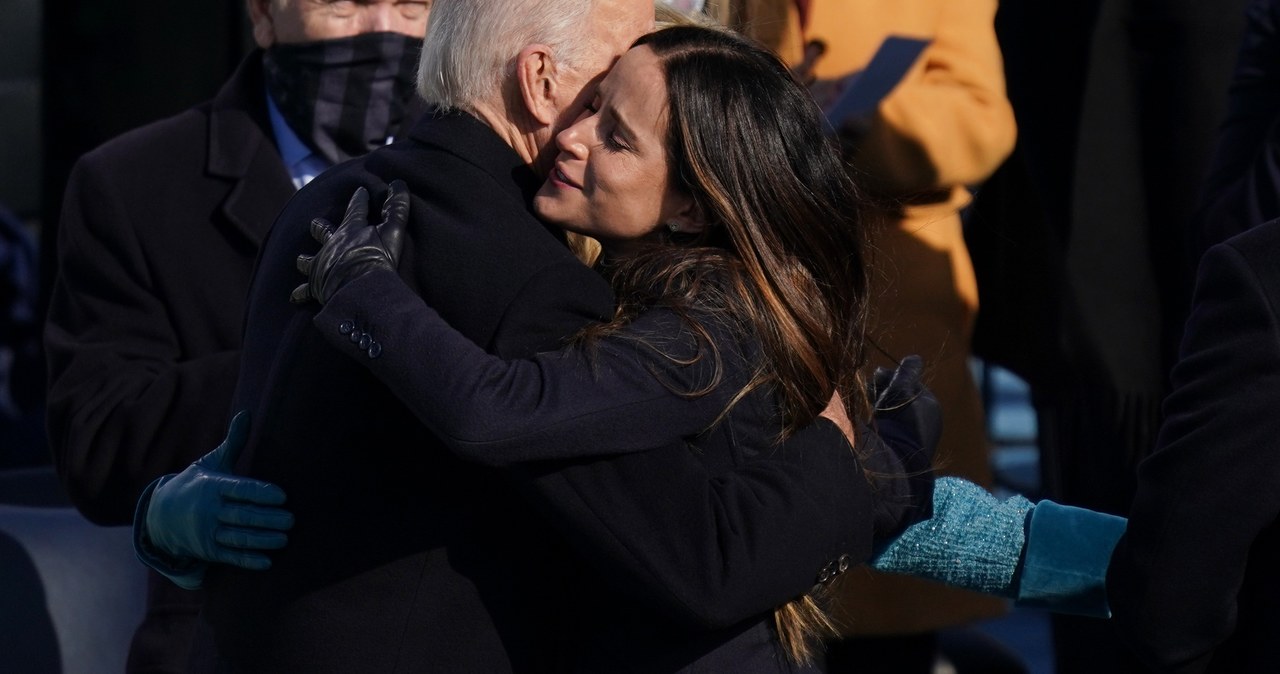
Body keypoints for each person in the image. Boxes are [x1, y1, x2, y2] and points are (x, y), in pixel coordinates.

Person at [134, 3, 932, 672]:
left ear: (692, 201)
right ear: (542, 81)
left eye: (617, 129)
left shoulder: (341, 197)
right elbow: (705, 565)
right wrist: (865, 462)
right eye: (604, 92)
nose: (587, 128)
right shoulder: (531, 280)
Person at [41, 1, 430, 670]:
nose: (379, 31)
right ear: (262, 16)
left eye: (411, 6)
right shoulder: (134, 184)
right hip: (230, 634)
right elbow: (97, 440)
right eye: (342, 7)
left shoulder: (504, 171)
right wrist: (310, 359)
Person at [701, 0, 1018, 670]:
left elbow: (983, 121)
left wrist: (863, 121)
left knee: (885, 612)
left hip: (889, 307)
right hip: (739, 302)